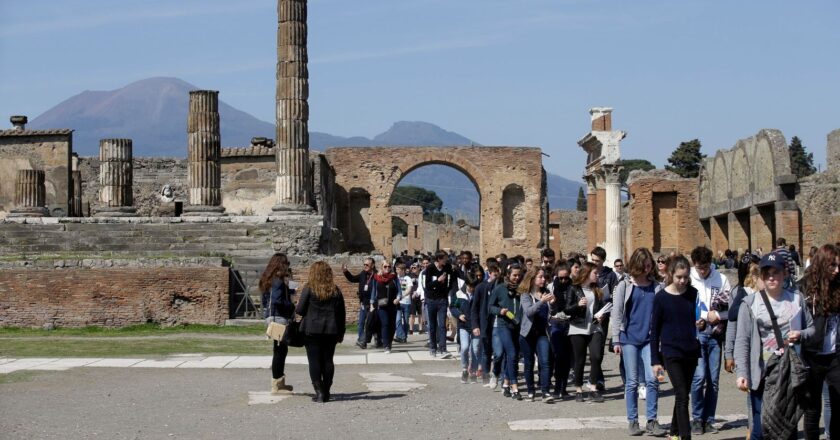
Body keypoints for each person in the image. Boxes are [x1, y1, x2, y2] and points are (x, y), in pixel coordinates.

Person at [734, 253, 814, 439]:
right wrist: (742, 373)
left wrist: (800, 334)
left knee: (788, 426)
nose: (771, 277)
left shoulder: (796, 299)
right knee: (760, 428)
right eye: (767, 273)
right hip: (761, 373)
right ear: (761, 276)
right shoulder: (750, 303)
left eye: (776, 272)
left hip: (789, 373)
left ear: (784, 274)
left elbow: (812, 329)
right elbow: (742, 341)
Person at [612, 248, 667, 436]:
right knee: (632, 381)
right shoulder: (624, 286)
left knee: (653, 380)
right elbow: (617, 313)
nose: (647, 269)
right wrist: (615, 340)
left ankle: (652, 420)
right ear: (636, 265)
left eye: (649, 266)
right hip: (628, 339)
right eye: (644, 266)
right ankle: (633, 421)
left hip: (650, 340)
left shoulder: (656, 287)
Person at [651, 255, 702, 440]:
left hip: (691, 349)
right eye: (679, 277)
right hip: (671, 351)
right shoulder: (661, 298)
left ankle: (673, 431)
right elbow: (654, 330)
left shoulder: (693, 293)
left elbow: (696, 317)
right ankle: (685, 436)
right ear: (671, 274)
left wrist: (701, 323)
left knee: (683, 394)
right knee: (681, 394)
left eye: (685, 277)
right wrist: (655, 360)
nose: (682, 281)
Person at [688, 246, 731, 435]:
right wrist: (705, 315)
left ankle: (709, 419)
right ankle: (697, 418)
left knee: (713, 380)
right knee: (698, 378)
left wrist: (719, 315)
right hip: (696, 334)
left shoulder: (721, 279)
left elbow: (731, 309)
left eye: (705, 267)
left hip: (715, 334)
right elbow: (684, 306)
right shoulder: (688, 278)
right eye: (699, 267)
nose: (702, 271)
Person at [800, 244, 840, 439]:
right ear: (823, 265)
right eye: (832, 266)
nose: (837, 270)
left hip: (835, 356)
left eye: (838, 266)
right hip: (812, 355)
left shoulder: (838, 286)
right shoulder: (805, 288)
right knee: (812, 408)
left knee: (837, 403)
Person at [295, 261, 346, 403]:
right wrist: (342, 332)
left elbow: (300, 310)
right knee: (328, 361)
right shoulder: (335, 290)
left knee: (314, 361)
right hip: (331, 330)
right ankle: (327, 390)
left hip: (311, 330)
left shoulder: (309, 288)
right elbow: (341, 313)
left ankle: (319, 392)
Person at [565, 261, 607, 403]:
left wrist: (602, 315)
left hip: (595, 327)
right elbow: (567, 309)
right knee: (579, 359)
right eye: (595, 273)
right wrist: (577, 305)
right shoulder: (573, 288)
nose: (597, 275)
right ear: (587, 273)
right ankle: (578, 389)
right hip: (578, 327)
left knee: (596, 356)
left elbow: (603, 307)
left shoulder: (597, 289)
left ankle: (593, 388)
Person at [488, 262, 524, 400]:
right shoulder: (500, 289)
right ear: (508, 275)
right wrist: (500, 311)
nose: (517, 278)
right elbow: (490, 307)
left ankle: (506, 383)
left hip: (518, 326)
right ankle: (514, 387)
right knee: (512, 354)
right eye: (514, 275)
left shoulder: (522, 289)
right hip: (503, 325)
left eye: (519, 275)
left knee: (512, 356)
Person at [261, 253, 295, 395]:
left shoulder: (268, 279)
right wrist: (292, 305)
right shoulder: (278, 281)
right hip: (279, 318)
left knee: (280, 350)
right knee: (280, 351)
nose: (288, 266)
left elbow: (265, 301)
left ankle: (280, 382)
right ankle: (276, 385)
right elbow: (277, 301)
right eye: (286, 263)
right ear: (281, 264)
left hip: (272, 317)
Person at [519, 267, 554, 402]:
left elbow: (553, 311)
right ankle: (530, 390)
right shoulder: (526, 294)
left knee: (545, 362)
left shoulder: (546, 292)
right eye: (540, 277)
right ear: (532, 279)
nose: (543, 279)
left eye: (544, 277)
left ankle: (545, 391)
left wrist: (553, 304)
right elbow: (528, 312)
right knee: (529, 363)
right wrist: (542, 302)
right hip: (527, 334)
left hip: (542, 333)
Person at [453, 265, 483, 383]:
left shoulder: (478, 295)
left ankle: (473, 371)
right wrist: (459, 314)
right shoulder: (459, 294)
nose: (471, 289)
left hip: (476, 326)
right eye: (470, 286)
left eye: (473, 286)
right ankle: (465, 369)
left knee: (475, 349)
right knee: (465, 348)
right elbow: (453, 307)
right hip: (464, 326)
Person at [548, 263, 574, 399]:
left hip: (570, 323)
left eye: (566, 278)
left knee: (568, 357)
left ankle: (563, 387)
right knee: (558, 356)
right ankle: (557, 386)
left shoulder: (573, 287)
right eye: (561, 278)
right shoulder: (551, 288)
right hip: (557, 323)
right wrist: (552, 304)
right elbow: (550, 310)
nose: (563, 281)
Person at [425, 250, 455, 358]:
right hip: (431, 299)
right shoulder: (430, 268)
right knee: (432, 325)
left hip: (442, 299)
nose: (446, 260)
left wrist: (447, 289)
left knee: (442, 325)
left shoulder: (447, 267)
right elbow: (427, 285)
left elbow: (451, 279)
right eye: (444, 259)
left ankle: (443, 348)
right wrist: (438, 280)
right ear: (439, 259)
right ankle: (433, 347)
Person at [343, 257, 376, 349]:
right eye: (364, 264)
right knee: (361, 323)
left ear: (372, 265)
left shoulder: (376, 276)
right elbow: (352, 279)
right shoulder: (362, 274)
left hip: (372, 304)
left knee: (370, 324)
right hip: (363, 303)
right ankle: (361, 341)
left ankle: (377, 339)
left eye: (367, 265)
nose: (365, 266)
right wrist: (346, 271)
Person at [372, 260, 400, 354]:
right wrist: (372, 303)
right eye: (385, 266)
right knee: (385, 324)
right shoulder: (377, 277)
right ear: (381, 267)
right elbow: (373, 291)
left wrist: (398, 298)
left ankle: (389, 342)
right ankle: (386, 345)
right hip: (381, 305)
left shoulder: (394, 278)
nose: (387, 268)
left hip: (392, 305)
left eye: (389, 266)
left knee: (392, 326)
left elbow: (399, 290)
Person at [394, 262, 414, 344]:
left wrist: (403, 295)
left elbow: (409, 289)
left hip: (406, 302)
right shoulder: (395, 278)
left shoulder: (407, 278)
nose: (396, 271)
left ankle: (403, 337)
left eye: (398, 269)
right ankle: (401, 335)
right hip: (398, 302)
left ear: (402, 270)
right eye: (396, 269)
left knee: (405, 321)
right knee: (398, 320)